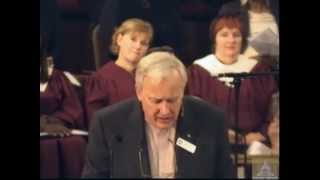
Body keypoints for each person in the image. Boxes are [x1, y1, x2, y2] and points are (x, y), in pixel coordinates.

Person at [82, 52, 235, 178]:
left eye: (172, 100)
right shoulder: (108, 123)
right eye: (156, 101)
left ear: (183, 91)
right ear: (139, 92)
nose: (165, 110)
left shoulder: (211, 120)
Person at [187, 15, 278, 146]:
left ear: (242, 40)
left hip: (255, 143)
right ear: (215, 39)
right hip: (210, 143)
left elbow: (273, 109)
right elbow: (192, 111)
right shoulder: (198, 72)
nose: (231, 40)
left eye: (236, 35)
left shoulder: (258, 70)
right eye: (224, 35)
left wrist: (262, 133)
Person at [84, 18, 153, 123]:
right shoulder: (100, 79)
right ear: (119, 39)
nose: (138, 46)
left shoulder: (149, 77)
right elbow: (97, 121)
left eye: (143, 43)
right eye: (133, 39)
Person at [40, 34, 87, 178]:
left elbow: (71, 107)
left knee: (76, 144)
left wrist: (55, 121)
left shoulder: (56, 76)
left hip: (57, 127)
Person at [96, 0, 182, 65]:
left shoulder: (166, 5)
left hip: (160, 64)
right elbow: (108, 43)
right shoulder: (117, 4)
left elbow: (176, 42)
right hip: (126, 65)